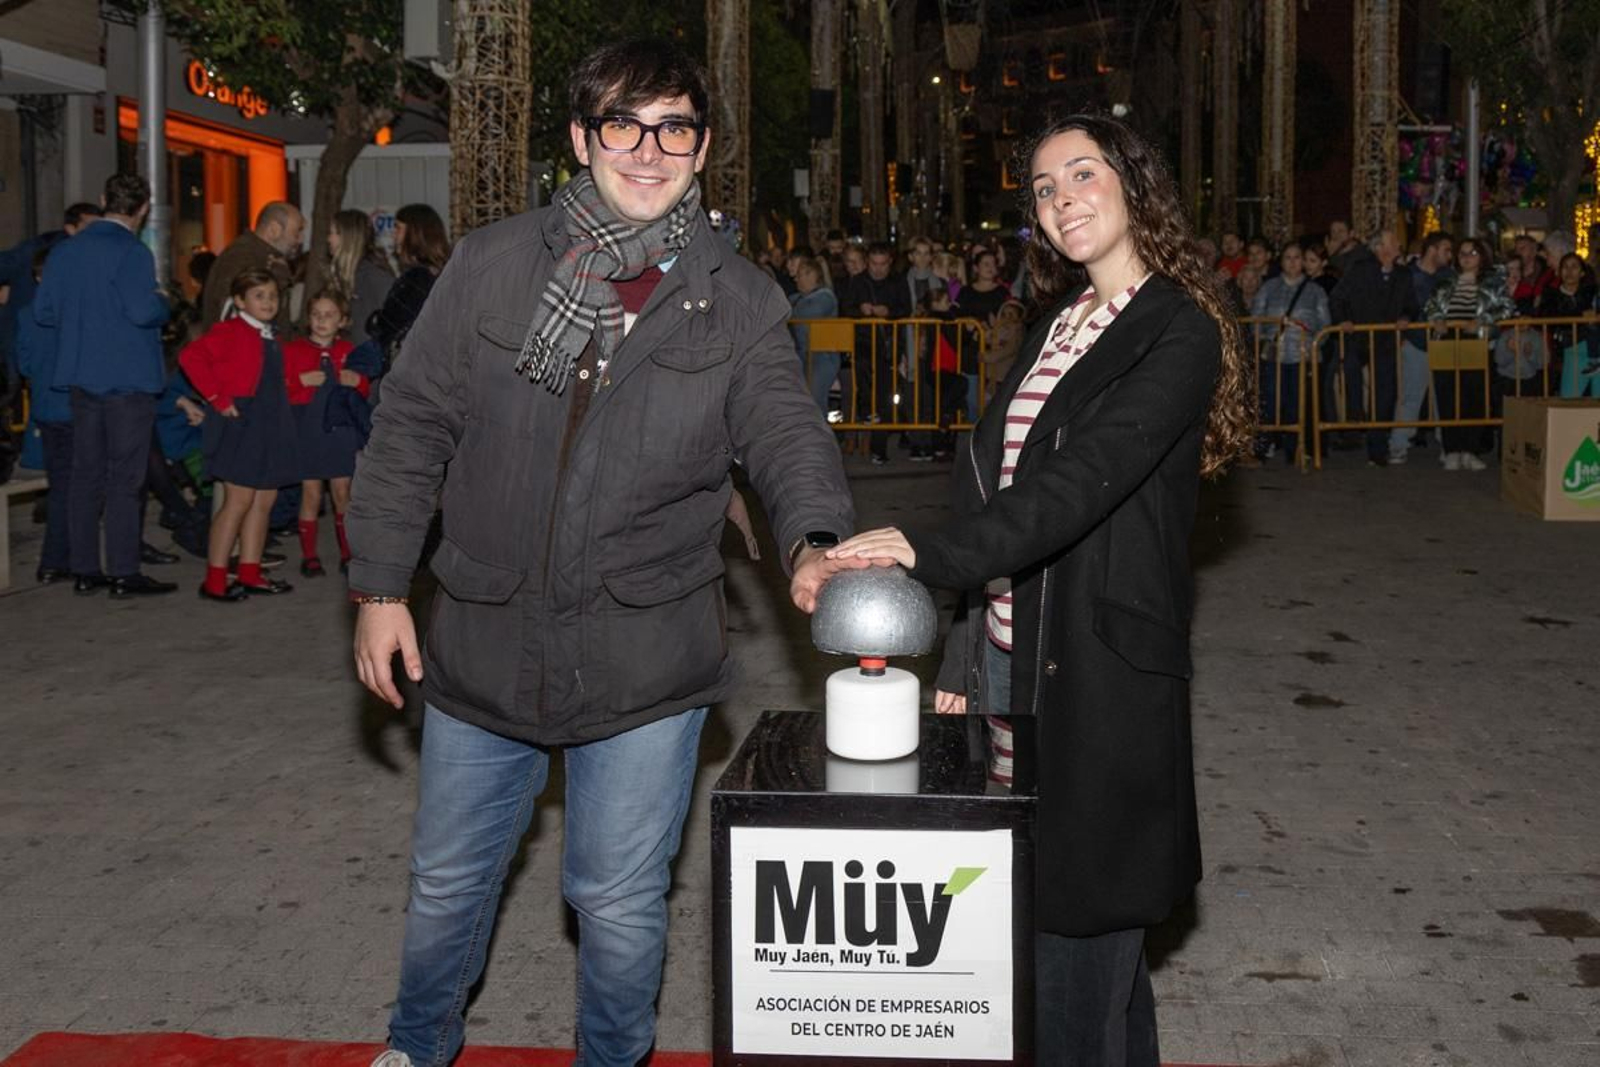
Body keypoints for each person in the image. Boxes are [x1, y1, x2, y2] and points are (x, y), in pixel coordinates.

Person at [346, 37, 854, 1067]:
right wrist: (380, 584)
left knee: (616, 899)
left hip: (644, 646)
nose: (648, 149)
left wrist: (819, 538)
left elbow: (786, 434)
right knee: (448, 879)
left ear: (701, 146)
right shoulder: (491, 266)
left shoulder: (738, 296)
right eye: (623, 123)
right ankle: (415, 1044)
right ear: (582, 138)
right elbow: (410, 427)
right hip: (484, 633)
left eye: (673, 127)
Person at [827, 111, 1252, 1067]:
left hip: (1098, 683)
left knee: (1074, 945)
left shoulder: (1176, 331)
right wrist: (971, 653)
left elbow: (1075, 489)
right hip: (1017, 674)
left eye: (1082, 175)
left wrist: (932, 554)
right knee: (1079, 960)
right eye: (1045, 190)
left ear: (1133, 184)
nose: (1063, 200)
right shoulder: (1056, 326)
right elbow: (996, 480)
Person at [32, 173, 176, 599]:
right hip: (127, 378)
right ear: (143, 208)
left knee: (85, 473)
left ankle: (84, 568)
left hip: (81, 374)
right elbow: (139, 309)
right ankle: (124, 571)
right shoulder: (133, 252)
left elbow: (44, 312)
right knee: (125, 477)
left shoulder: (64, 251)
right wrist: (163, 301)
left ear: (102, 199)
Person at [181, 268, 301, 600]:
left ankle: (250, 571)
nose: (268, 302)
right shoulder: (230, 331)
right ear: (239, 301)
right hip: (242, 422)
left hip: (271, 424)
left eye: (273, 296)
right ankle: (215, 579)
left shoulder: (271, 336)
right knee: (238, 501)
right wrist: (217, 398)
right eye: (259, 296)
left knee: (264, 500)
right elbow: (191, 357)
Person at [286, 290, 368, 577]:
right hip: (308, 431)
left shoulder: (349, 351)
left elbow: (362, 392)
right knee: (310, 494)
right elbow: (282, 393)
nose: (322, 320)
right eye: (316, 314)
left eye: (329, 315)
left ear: (342, 320)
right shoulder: (293, 351)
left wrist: (357, 381)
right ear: (308, 319)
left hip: (340, 432)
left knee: (342, 493)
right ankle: (309, 556)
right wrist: (300, 382)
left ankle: (347, 554)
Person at [1423, 238, 1515, 470]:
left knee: (1474, 396)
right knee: (1447, 395)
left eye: (1472, 252)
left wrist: (1482, 321)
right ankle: (1451, 449)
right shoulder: (1445, 281)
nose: (1466, 257)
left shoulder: (1493, 282)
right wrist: (1437, 319)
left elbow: (1506, 307)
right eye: (1462, 253)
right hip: (1446, 342)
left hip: (1476, 342)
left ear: (1482, 256)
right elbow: (1430, 305)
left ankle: (1470, 450)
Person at [1329, 230, 1419, 465]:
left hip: (1386, 342)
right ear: (1380, 247)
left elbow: (1412, 304)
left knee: (1385, 394)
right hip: (1358, 337)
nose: (1399, 244)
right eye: (1394, 241)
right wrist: (1343, 320)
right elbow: (1338, 297)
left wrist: (1406, 316)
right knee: (1350, 371)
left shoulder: (1403, 275)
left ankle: (1377, 449)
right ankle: (1354, 417)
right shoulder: (1360, 269)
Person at [14, 246, 72, 583]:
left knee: (63, 483)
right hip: (73, 407)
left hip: (45, 408)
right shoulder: (70, 314)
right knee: (71, 486)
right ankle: (55, 560)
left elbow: (24, 366)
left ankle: (60, 557)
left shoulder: (25, 314)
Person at [1251, 240, 1329, 462]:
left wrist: (1314, 344)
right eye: (1288, 257)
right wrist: (1268, 331)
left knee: (1298, 403)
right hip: (1274, 354)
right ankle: (1263, 447)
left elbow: (1325, 325)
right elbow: (1255, 320)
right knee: (1271, 401)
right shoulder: (1268, 288)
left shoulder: (1315, 291)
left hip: (1303, 356)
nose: (1293, 262)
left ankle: (1296, 448)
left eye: (1297, 257)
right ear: (1281, 261)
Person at [839, 241, 911, 462]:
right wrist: (861, 311)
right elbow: (845, 309)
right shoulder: (859, 282)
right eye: (874, 264)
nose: (878, 269)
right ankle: (870, 433)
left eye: (883, 264)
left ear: (890, 263)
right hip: (862, 344)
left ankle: (878, 449)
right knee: (866, 388)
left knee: (885, 397)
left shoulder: (898, 282)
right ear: (868, 262)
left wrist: (888, 312)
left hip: (888, 346)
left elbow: (906, 309)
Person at [1389, 232, 1455, 464]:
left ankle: (1448, 444)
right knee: (1410, 395)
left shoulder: (1449, 276)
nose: (1449, 255)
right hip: (1416, 342)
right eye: (1446, 250)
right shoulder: (1408, 274)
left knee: (1444, 397)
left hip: (1441, 344)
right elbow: (1399, 304)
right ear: (1432, 249)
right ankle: (1399, 444)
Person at [366, 203, 450, 366]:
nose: (393, 235)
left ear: (415, 233)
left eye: (398, 228)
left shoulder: (417, 277)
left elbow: (390, 324)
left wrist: (374, 320)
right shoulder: (444, 274)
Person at [201, 201, 304, 329]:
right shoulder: (242, 258)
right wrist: (278, 281)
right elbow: (232, 312)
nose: (300, 240)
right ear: (274, 230)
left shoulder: (247, 254)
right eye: (297, 232)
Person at [327, 209, 394, 347]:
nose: (329, 239)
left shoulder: (373, 275)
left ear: (348, 238)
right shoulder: (344, 276)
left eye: (334, 233)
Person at [788, 254, 843, 416]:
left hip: (822, 357)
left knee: (815, 401)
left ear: (812, 275)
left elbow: (805, 313)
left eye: (800, 275)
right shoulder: (798, 298)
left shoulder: (825, 297)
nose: (796, 279)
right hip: (803, 355)